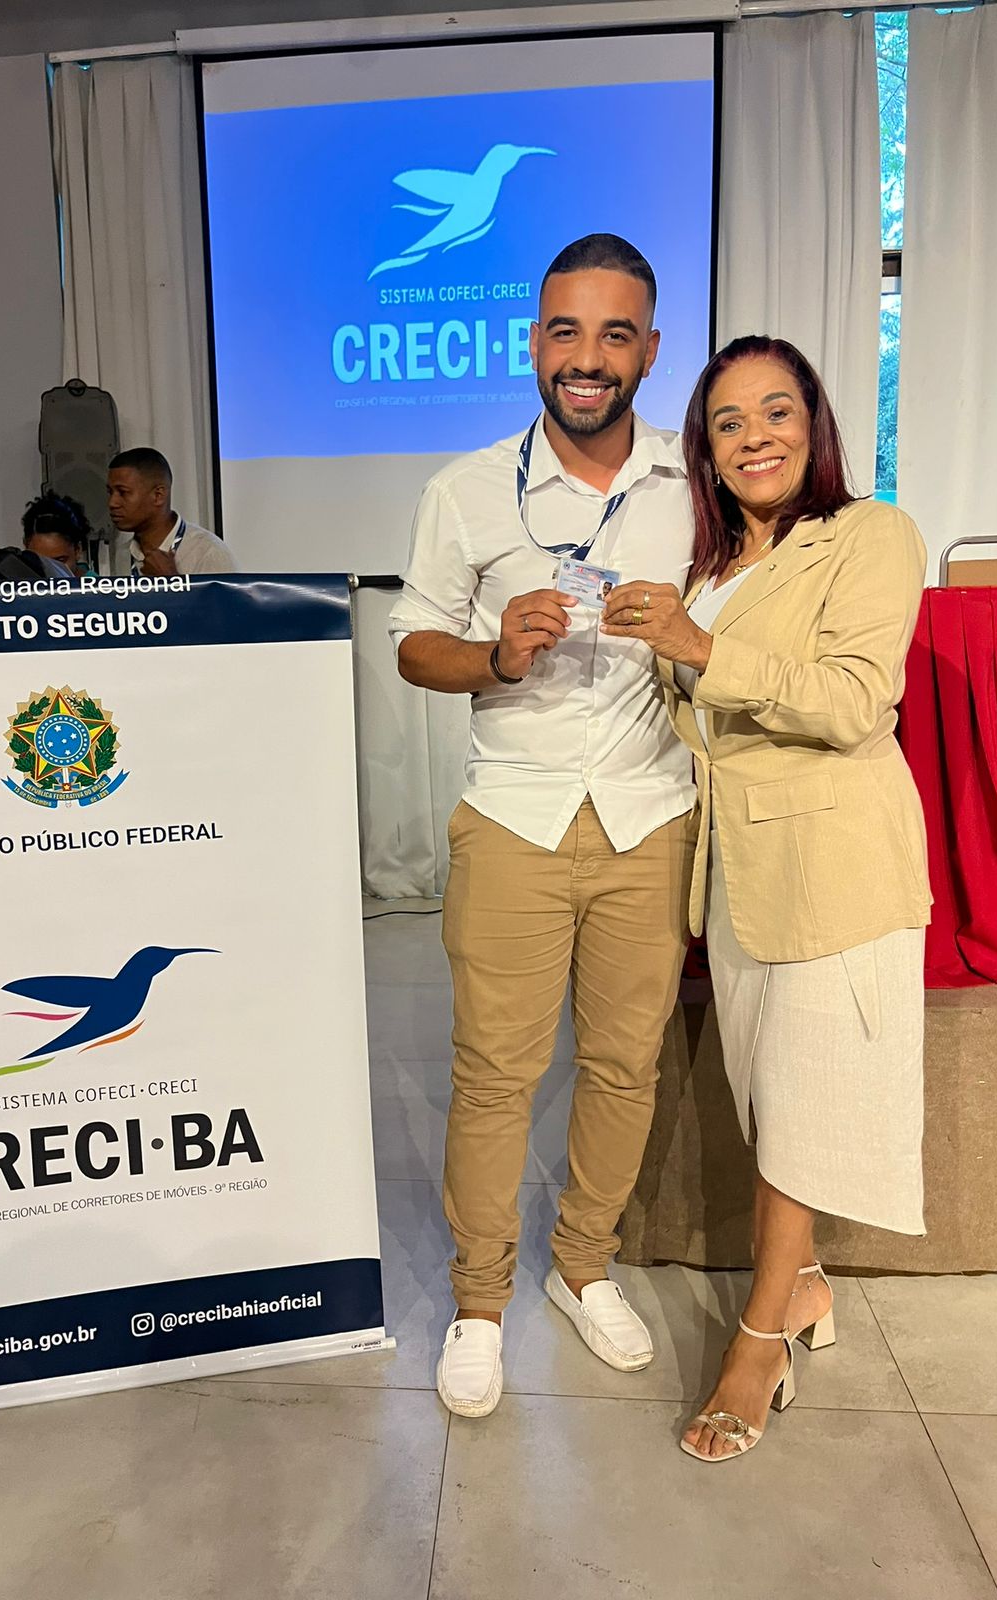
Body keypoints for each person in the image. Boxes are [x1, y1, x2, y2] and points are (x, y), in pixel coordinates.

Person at [601, 335, 930, 1461]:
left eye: (776, 411)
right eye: (729, 422)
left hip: (836, 864)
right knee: (768, 1096)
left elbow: (853, 701)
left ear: (815, 422)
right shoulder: (709, 566)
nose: (755, 437)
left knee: (797, 1105)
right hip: (738, 872)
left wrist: (697, 644)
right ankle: (809, 1285)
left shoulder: (869, 534)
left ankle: (757, 1341)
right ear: (706, 448)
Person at [390, 234, 698, 1419]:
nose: (588, 357)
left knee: (624, 1065)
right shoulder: (466, 487)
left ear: (650, 351)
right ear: (533, 342)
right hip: (513, 817)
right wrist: (494, 654)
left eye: (616, 334)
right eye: (566, 330)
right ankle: (479, 1304)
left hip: (648, 816)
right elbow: (415, 644)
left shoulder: (694, 487)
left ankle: (582, 1267)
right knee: (495, 1073)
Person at [107, 448, 235, 577]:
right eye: (110, 492)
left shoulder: (208, 552)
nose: (112, 503)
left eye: (123, 492)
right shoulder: (121, 554)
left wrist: (170, 579)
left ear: (158, 495)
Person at [21, 491, 90, 576]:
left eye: (59, 562)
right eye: (40, 563)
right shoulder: (18, 583)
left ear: (77, 550)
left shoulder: (99, 584)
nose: (51, 571)